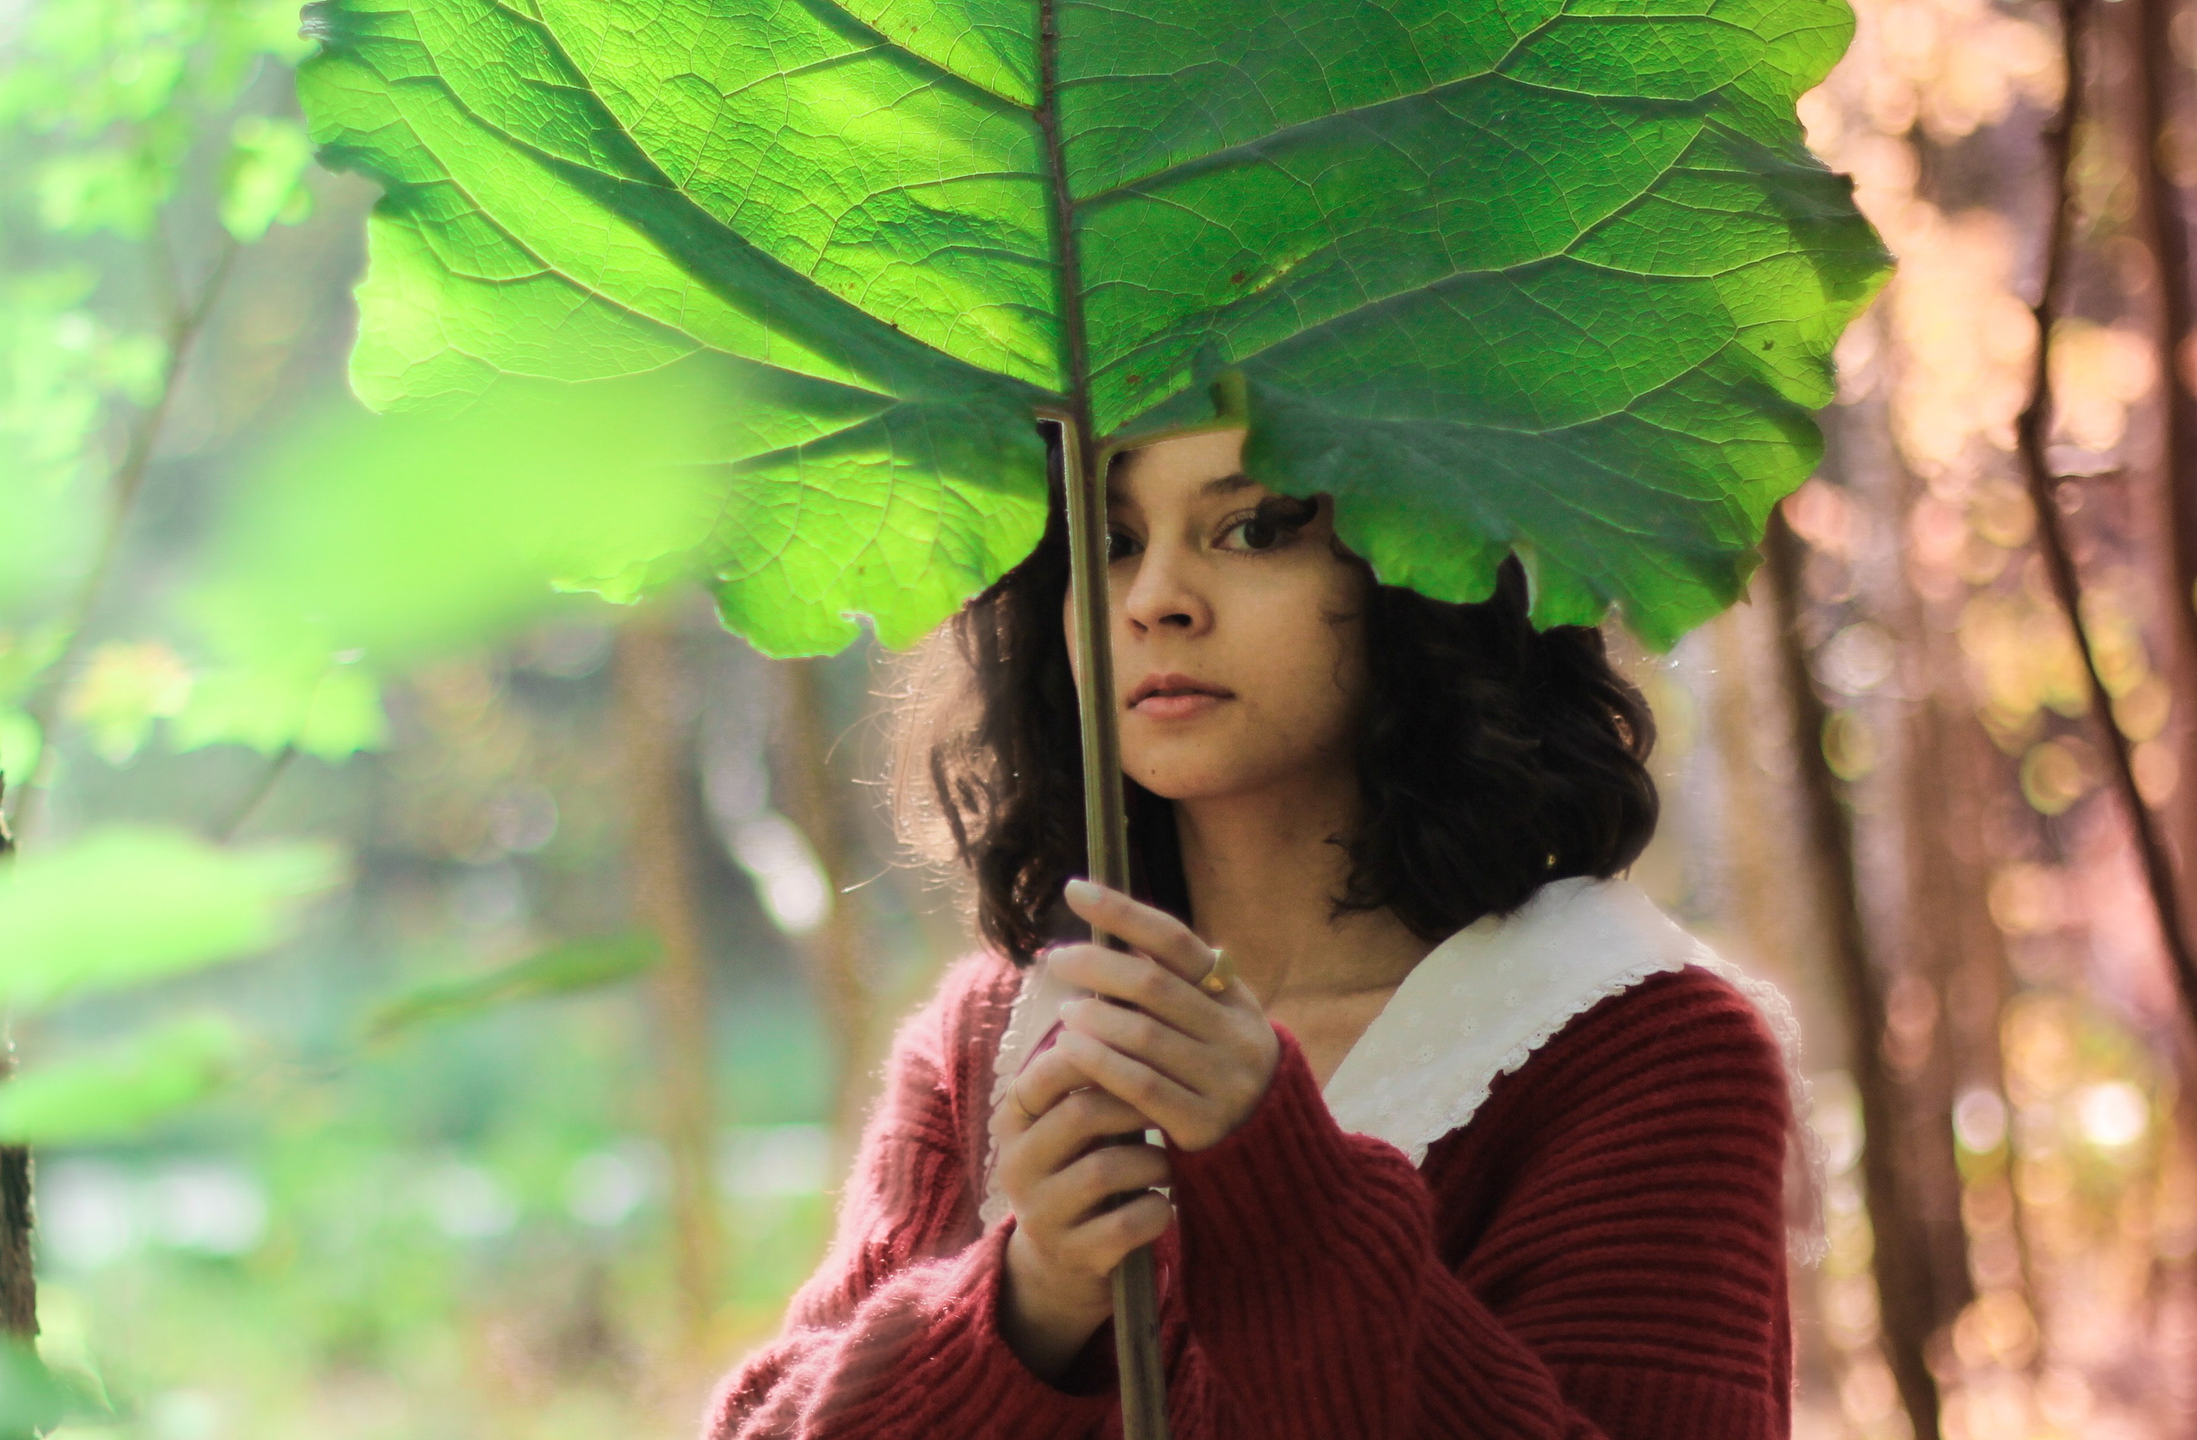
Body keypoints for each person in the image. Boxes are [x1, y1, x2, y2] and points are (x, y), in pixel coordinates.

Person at [706, 426, 1800, 1438]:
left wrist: (1285, 1199)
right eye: (1114, 539)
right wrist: (1028, 1300)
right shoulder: (988, 1040)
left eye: (1257, 528)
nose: (1156, 599)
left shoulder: (1644, 1050)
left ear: (1426, 569)